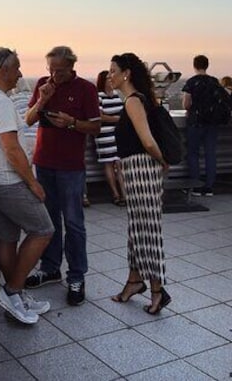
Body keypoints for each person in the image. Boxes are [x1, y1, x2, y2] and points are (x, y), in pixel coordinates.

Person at [0, 47, 54, 325]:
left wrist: (40, 102)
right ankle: (11, 290)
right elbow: (11, 148)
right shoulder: (1, 103)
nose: (20, 73)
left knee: (7, 237)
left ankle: (14, 294)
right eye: (16, 68)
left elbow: (24, 122)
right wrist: (32, 183)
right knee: (43, 230)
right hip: (9, 181)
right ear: (1, 70)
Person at [23, 46, 100, 306]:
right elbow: (29, 119)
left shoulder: (86, 89)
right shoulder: (43, 85)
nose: (55, 75)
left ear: (72, 66)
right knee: (49, 220)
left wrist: (71, 123)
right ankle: (50, 268)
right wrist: (43, 100)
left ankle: (77, 276)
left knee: (74, 223)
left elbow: (96, 127)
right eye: (51, 69)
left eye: (60, 70)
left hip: (71, 167)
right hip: (44, 163)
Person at [108, 53, 171, 315]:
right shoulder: (131, 102)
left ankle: (158, 290)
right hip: (135, 171)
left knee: (147, 232)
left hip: (143, 170)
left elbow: (147, 141)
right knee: (137, 230)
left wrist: (162, 162)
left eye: (113, 71)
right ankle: (134, 280)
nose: (109, 75)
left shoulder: (134, 101)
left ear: (127, 74)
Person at [181, 55, 222, 196]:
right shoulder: (214, 81)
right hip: (212, 122)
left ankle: (195, 186)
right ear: (207, 65)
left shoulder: (191, 82)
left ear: (194, 65)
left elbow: (186, 104)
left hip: (195, 122)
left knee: (193, 154)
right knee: (210, 153)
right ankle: (209, 187)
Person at [94, 70, 125, 206]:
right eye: (108, 78)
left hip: (117, 134)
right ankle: (115, 194)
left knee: (119, 163)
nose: (110, 80)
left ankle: (124, 194)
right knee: (109, 164)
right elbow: (99, 116)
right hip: (104, 134)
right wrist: (117, 119)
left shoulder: (117, 96)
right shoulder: (99, 96)